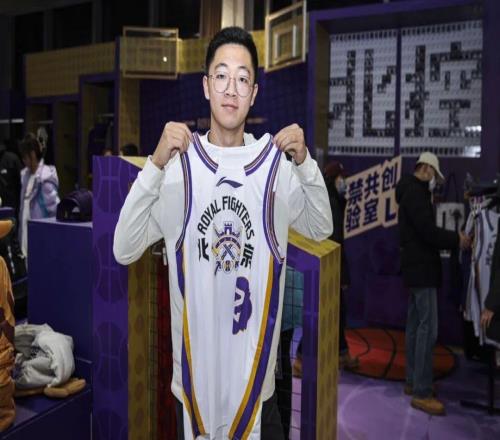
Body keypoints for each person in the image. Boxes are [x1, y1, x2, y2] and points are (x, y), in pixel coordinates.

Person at [114, 27, 333, 440]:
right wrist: (154, 165)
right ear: (205, 86)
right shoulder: (177, 171)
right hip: (195, 392)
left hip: (256, 393)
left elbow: (322, 227)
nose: (231, 88)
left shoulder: (275, 172)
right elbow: (123, 248)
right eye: (221, 75)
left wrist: (305, 164)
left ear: (254, 93)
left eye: (242, 78)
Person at [396, 152, 470, 416]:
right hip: (423, 271)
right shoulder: (416, 195)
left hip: (415, 270)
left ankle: (414, 381)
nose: (434, 181)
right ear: (425, 168)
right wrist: (456, 239)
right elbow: (428, 233)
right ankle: (422, 391)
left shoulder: (409, 192)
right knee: (427, 330)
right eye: (433, 175)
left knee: (416, 327)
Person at [324, 160, 359, 369]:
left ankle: (342, 353)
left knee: (336, 313)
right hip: (329, 267)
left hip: (331, 266)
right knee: (328, 315)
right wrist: (342, 273)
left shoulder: (335, 201)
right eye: (341, 179)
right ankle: (301, 356)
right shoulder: (330, 203)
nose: (344, 183)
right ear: (333, 179)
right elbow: (335, 241)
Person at [18, 133, 60, 258]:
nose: (23, 161)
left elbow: (54, 212)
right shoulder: (25, 176)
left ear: (32, 155)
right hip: (26, 233)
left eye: (25, 157)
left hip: (42, 236)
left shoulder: (46, 179)